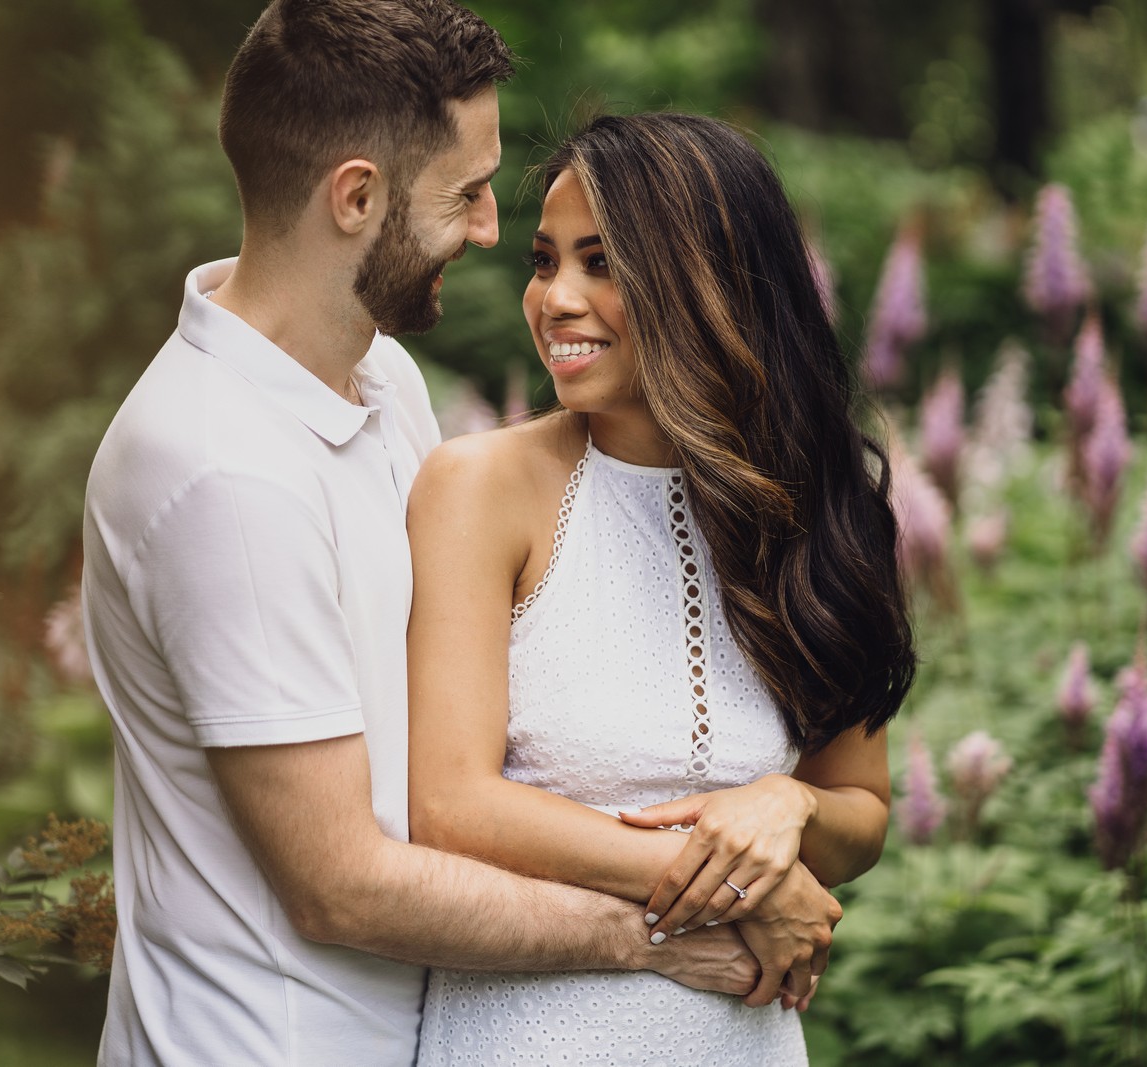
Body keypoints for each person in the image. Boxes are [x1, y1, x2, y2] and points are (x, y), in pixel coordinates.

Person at [81, 7, 786, 1065]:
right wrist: (665, 930)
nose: (492, 230)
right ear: (356, 196)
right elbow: (339, 882)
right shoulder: (222, 467)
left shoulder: (379, 380)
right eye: (464, 193)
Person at [406, 112, 917, 1064]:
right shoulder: (480, 488)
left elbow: (860, 806)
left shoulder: (822, 511)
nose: (556, 297)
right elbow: (451, 805)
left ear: (710, 282)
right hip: (529, 1038)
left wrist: (789, 807)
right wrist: (749, 887)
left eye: (602, 262)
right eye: (545, 258)